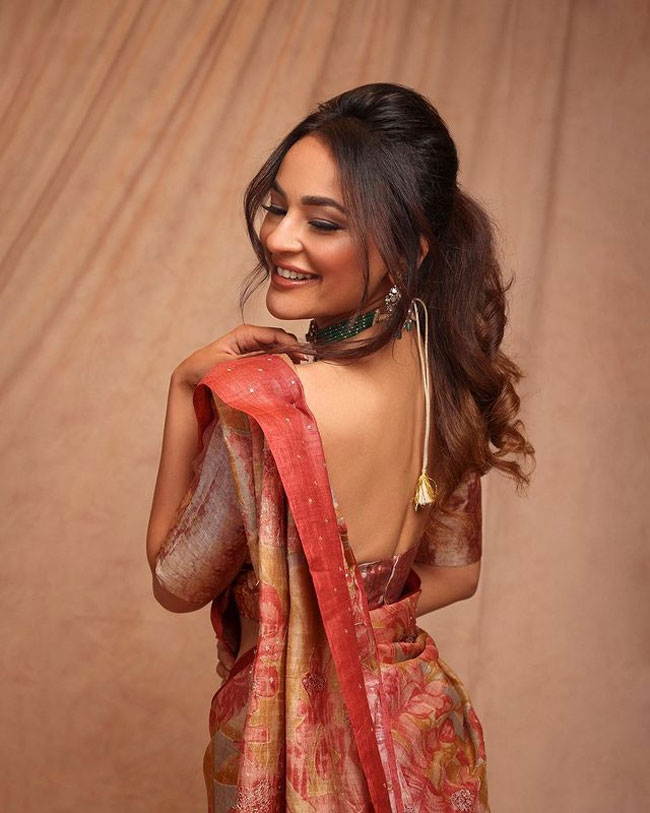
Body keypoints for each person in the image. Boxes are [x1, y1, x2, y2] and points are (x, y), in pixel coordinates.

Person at [146, 83, 534, 812]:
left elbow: (176, 581)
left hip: (303, 759)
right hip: (415, 738)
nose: (279, 238)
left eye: (322, 221)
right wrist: (358, 629)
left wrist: (182, 390)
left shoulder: (264, 404)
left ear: (408, 247)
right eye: (276, 206)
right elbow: (457, 574)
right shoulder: (443, 372)